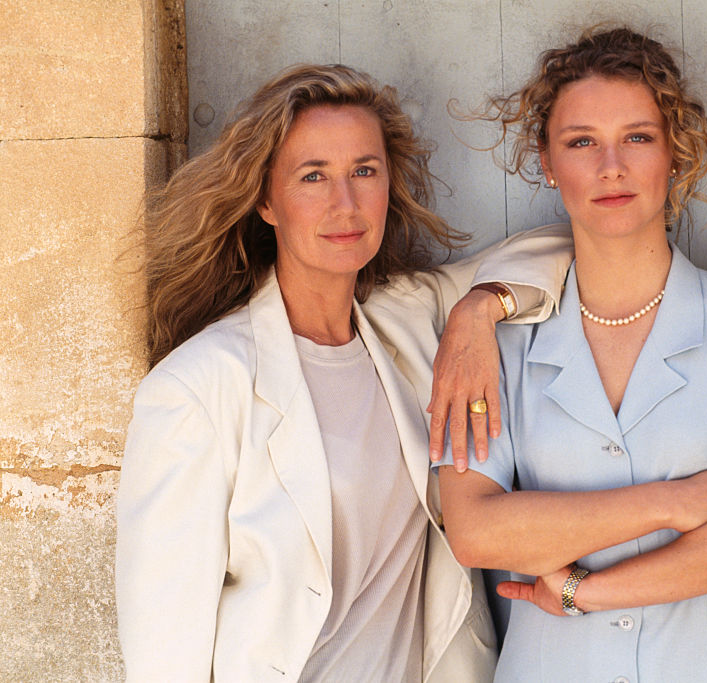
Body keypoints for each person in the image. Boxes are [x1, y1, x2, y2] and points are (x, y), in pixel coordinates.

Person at [115, 63, 572, 682]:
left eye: (364, 171)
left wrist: (479, 309)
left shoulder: (407, 323)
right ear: (267, 201)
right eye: (313, 176)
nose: (346, 203)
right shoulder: (198, 387)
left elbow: (572, 244)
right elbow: (164, 644)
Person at [434, 26, 707, 682]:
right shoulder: (493, 345)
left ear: (674, 152)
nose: (610, 166)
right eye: (581, 141)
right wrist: (668, 502)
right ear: (547, 160)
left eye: (637, 137)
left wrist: (583, 591)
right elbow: (476, 530)